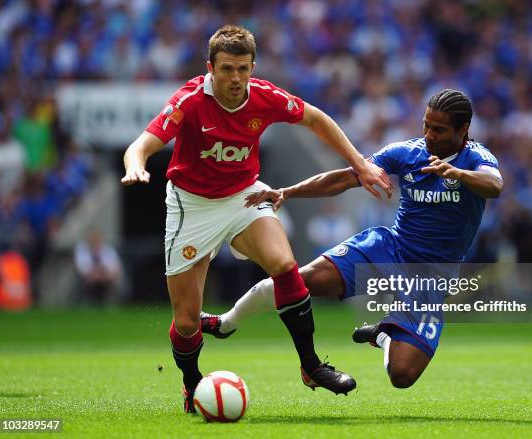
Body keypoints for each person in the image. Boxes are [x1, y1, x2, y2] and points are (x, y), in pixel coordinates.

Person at [120, 25, 392, 412]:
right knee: (185, 321)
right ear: (210, 68)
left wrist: (360, 164)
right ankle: (193, 383)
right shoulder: (191, 100)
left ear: (253, 67)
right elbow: (141, 145)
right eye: (227, 69)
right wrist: (136, 166)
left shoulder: (264, 97)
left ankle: (311, 365)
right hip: (192, 205)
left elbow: (317, 120)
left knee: (285, 266)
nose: (236, 78)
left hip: (243, 195)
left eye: (243, 69)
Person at [201, 89, 503, 389]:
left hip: (431, 273)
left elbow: (494, 185)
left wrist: (459, 174)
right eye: (425, 125)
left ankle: (383, 334)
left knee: (402, 376)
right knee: (295, 281)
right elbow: (345, 178)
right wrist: (287, 192)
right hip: (388, 249)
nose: (428, 134)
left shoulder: (476, 158)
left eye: (439, 129)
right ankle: (226, 322)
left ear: (463, 130)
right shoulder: (407, 153)